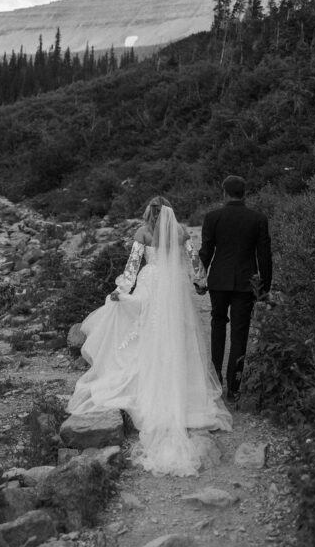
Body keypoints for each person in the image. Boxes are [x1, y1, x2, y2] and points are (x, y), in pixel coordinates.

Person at [67, 196, 231, 477]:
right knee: (179, 333)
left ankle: (150, 382)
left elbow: (132, 268)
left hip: (151, 283)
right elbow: (193, 260)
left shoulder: (142, 232)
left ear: (148, 213)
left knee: (147, 332)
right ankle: (183, 387)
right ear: (168, 211)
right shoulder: (179, 231)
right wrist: (199, 280)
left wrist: (121, 290)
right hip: (174, 285)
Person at [199, 175, 272, 403]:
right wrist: (264, 288)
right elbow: (264, 257)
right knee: (240, 332)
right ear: (245, 193)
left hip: (218, 280)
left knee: (218, 324)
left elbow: (206, 252)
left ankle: (216, 379)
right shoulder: (258, 219)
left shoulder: (213, 217)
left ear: (224, 192)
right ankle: (234, 387)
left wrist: (199, 279)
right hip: (245, 283)